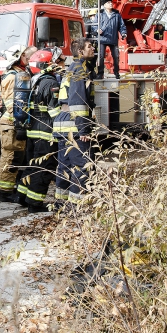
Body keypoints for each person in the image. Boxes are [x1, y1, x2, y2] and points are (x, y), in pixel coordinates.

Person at [52, 38, 97, 210]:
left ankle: (61, 204)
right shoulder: (79, 70)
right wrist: (84, 128)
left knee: (64, 166)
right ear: (80, 51)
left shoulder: (71, 68)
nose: (93, 49)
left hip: (63, 125)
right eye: (89, 47)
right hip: (75, 127)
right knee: (81, 167)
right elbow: (78, 102)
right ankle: (76, 208)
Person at [18, 49, 62, 213]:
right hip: (45, 132)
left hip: (32, 131)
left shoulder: (34, 81)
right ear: (47, 65)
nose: (58, 65)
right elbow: (54, 112)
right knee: (44, 168)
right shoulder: (51, 83)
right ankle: (35, 204)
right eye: (55, 62)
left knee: (32, 165)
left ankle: (22, 196)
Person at [0, 45, 37, 203]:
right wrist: (20, 124)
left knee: (17, 158)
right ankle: (5, 192)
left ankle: (10, 188)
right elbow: (12, 105)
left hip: (16, 124)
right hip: (11, 124)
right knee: (10, 157)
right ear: (18, 57)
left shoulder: (20, 73)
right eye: (26, 56)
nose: (28, 58)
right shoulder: (13, 77)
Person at [95, 0, 127, 79]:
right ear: (104, 5)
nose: (111, 4)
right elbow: (94, 24)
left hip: (113, 39)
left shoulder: (117, 15)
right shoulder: (100, 14)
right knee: (101, 56)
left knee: (116, 56)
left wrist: (123, 33)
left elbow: (121, 26)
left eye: (111, 2)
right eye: (108, 2)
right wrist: (97, 30)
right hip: (102, 39)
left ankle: (116, 72)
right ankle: (100, 73)